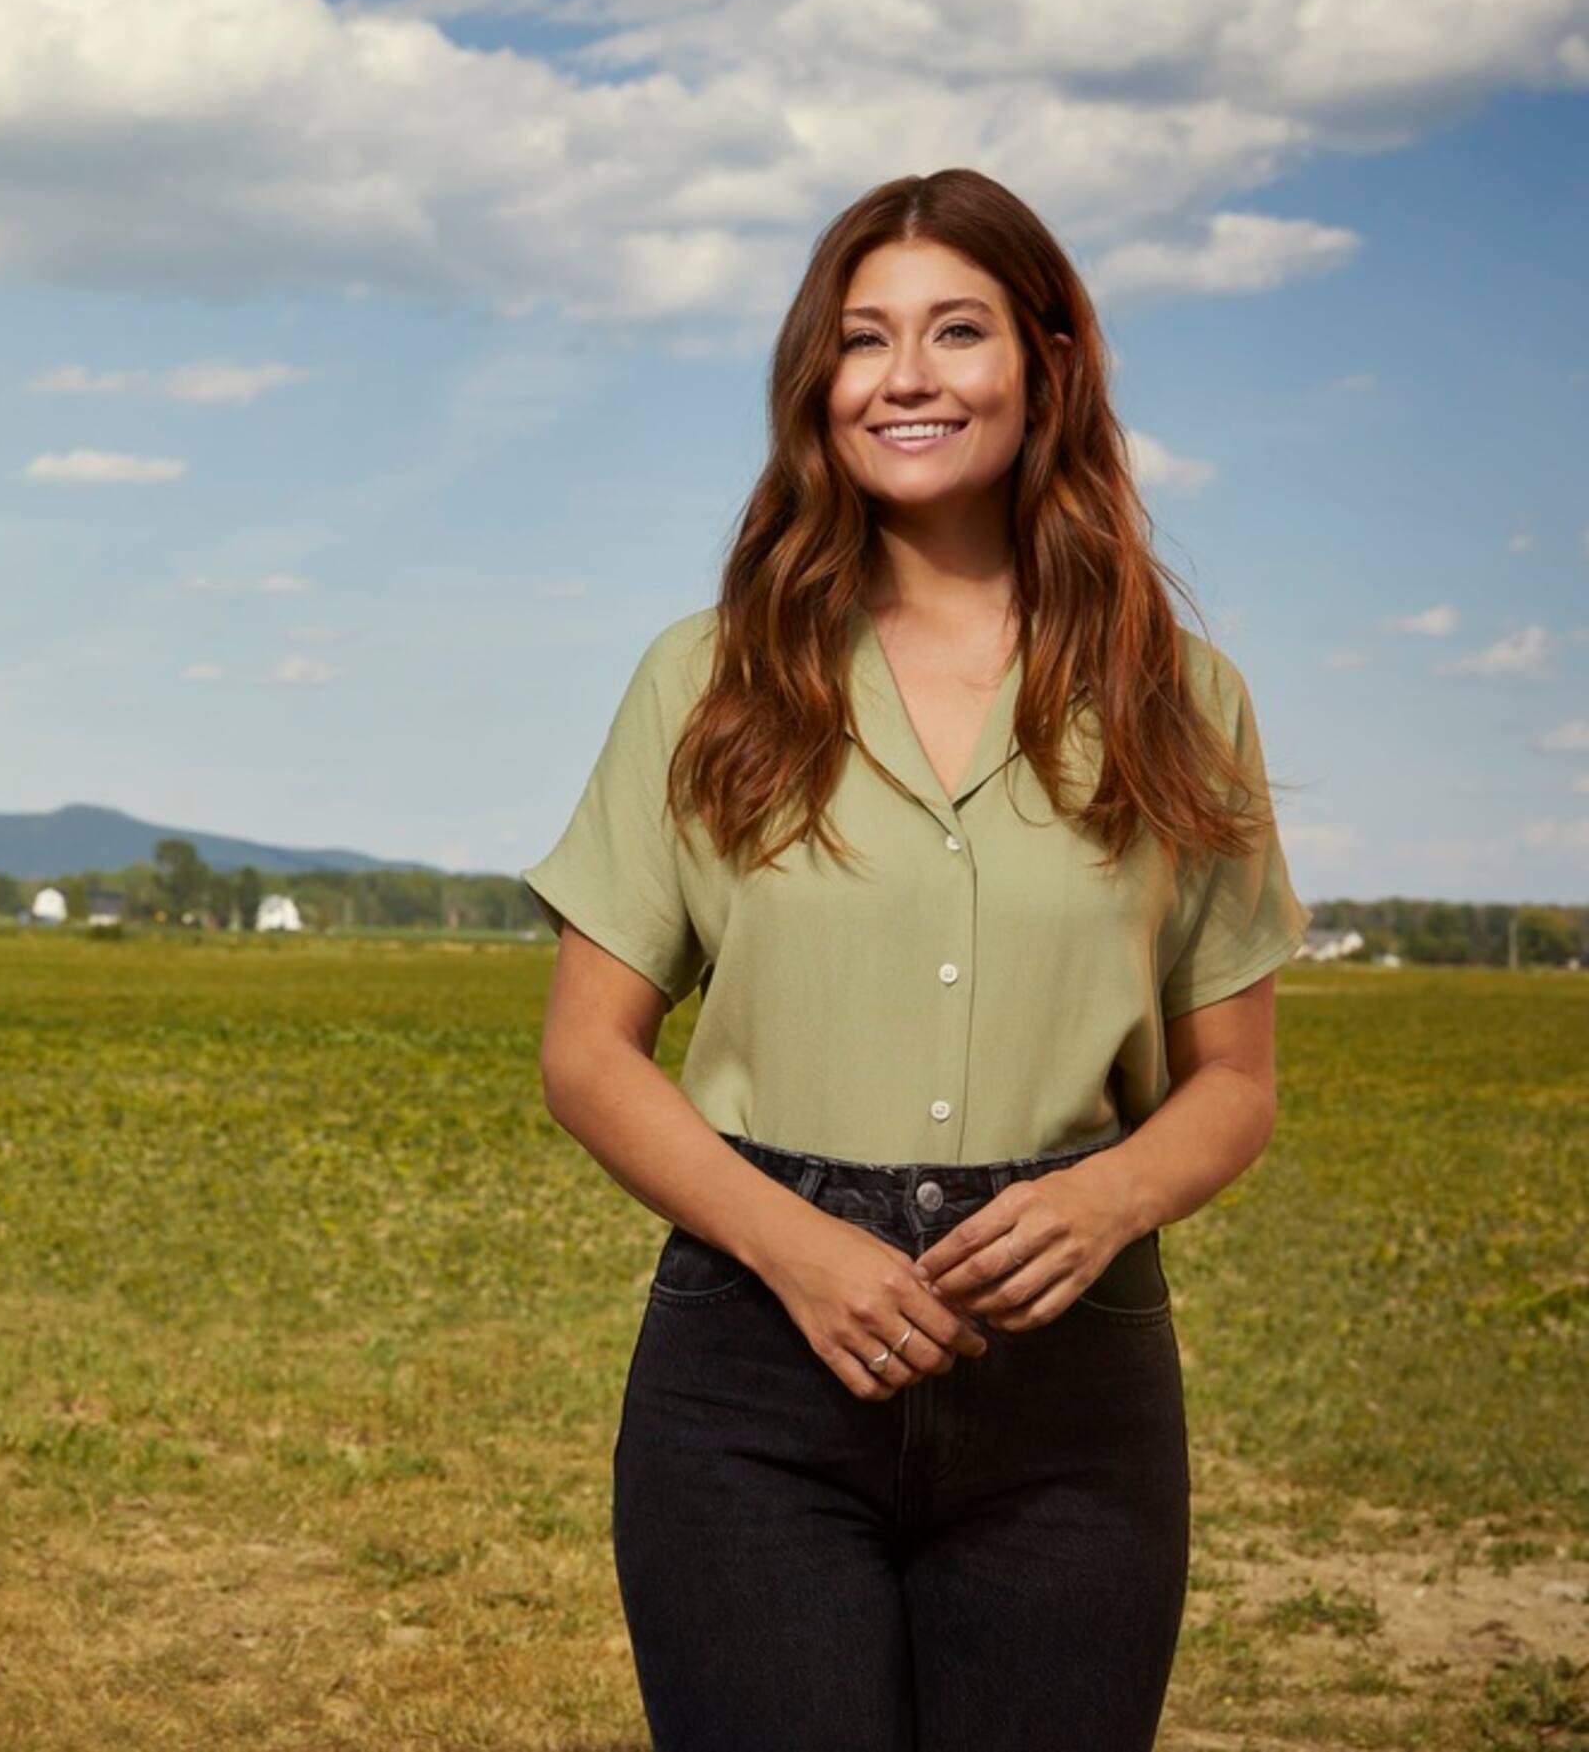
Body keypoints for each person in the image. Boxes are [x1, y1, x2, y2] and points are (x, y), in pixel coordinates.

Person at [521, 167, 1310, 1752]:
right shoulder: (711, 678)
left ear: (1049, 364)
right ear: (819, 382)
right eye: (864, 337)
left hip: (1070, 1399)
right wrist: (801, 1249)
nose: (907, 376)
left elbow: (1236, 1085)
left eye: (958, 330)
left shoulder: (1180, 696)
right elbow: (587, 1052)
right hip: (754, 1382)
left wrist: (1107, 1195)